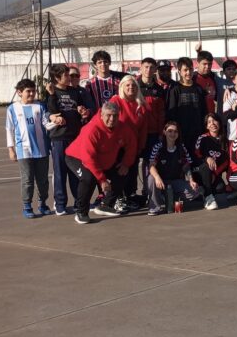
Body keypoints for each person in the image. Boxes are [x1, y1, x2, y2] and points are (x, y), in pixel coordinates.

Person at [65, 101, 138, 224]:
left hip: (104, 160)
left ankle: (106, 205)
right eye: (108, 115)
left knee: (123, 172)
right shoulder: (92, 129)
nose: (112, 119)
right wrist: (102, 179)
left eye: (115, 115)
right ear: (101, 115)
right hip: (77, 157)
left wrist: (126, 163)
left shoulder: (122, 127)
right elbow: (88, 158)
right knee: (88, 178)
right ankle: (81, 212)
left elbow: (132, 144)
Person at [6, 78, 52, 218]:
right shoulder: (12, 108)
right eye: (28, 91)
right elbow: (9, 129)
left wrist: (57, 122)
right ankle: (27, 206)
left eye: (33, 91)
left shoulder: (40, 106)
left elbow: (46, 124)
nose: (32, 94)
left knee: (43, 180)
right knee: (27, 180)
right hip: (23, 150)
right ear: (19, 92)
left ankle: (42, 204)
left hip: (42, 149)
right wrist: (11, 149)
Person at [45, 64, 83, 214]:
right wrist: (52, 95)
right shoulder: (51, 92)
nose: (69, 78)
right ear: (56, 77)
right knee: (60, 172)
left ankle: (79, 202)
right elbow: (52, 112)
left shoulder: (74, 92)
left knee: (76, 171)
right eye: (66, 75)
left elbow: (81, 109)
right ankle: (60, 204)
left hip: (74, 137)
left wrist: (82, 110)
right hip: (59, 138)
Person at [146, 122, 201, 216]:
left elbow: (186, 166)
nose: (172, 134)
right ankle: (154, 207)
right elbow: (151, 166)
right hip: (161, 182)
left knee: (196, 190)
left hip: (175, 181)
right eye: (170, 131)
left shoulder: (181, 148)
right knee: (151, 178)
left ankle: (169, 198)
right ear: (164, 132)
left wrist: (191, 180)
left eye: (175, 131)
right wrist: (157, 177)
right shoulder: (158, 147)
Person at [114, 75, 149, 210]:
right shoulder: (116, 101)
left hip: (133, 147)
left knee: (132, 173)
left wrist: (140, 147)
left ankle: (129, 197)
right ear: (122, 87)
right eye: (127, 85)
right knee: (119, 174)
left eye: (133, 85)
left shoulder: (141, 104)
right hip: (117, 146)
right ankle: (117, 199)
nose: (131, 87)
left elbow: (143, 129)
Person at [137, 58, 168, 197]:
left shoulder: (159, 89)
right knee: (132, 164)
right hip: (137, 133)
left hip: (154, 133)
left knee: (151, 162)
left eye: (151, 67)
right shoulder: (134, 86)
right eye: (146, 67)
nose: (148, 70)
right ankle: (131, 194)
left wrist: (161, 133)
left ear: (155, 70)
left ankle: (150, 191)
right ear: (141, 68)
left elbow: (161, 114)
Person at [166, 57, 208, 156]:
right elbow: (171, 113)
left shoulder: (198, 88)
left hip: (197, 132)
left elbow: (204, 111)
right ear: (179, 71)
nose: (188, 72)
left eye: (190, 69)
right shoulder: (174, 89)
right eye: (185, 70)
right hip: (181, 134)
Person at [193, 112, 228, 210]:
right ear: (207, 126)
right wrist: (207, 158)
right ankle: (208, 197)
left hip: (214, 174)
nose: (212, 123)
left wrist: (215, 174)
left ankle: (202, 191)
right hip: (200, 170)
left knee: (220, 187)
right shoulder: (202, 138)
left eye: (214, 120)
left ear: (219, 123)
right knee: (206, 167)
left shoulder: (225, 141)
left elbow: (226, 161)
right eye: (209, 122)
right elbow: (196, 154)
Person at [192, 47, 225, 113]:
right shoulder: (193, 79)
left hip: (211, 117)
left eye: (209, 64)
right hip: (197, 116)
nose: (207, 67)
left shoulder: (213, 77)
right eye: (204, 64)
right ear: (198, 63)